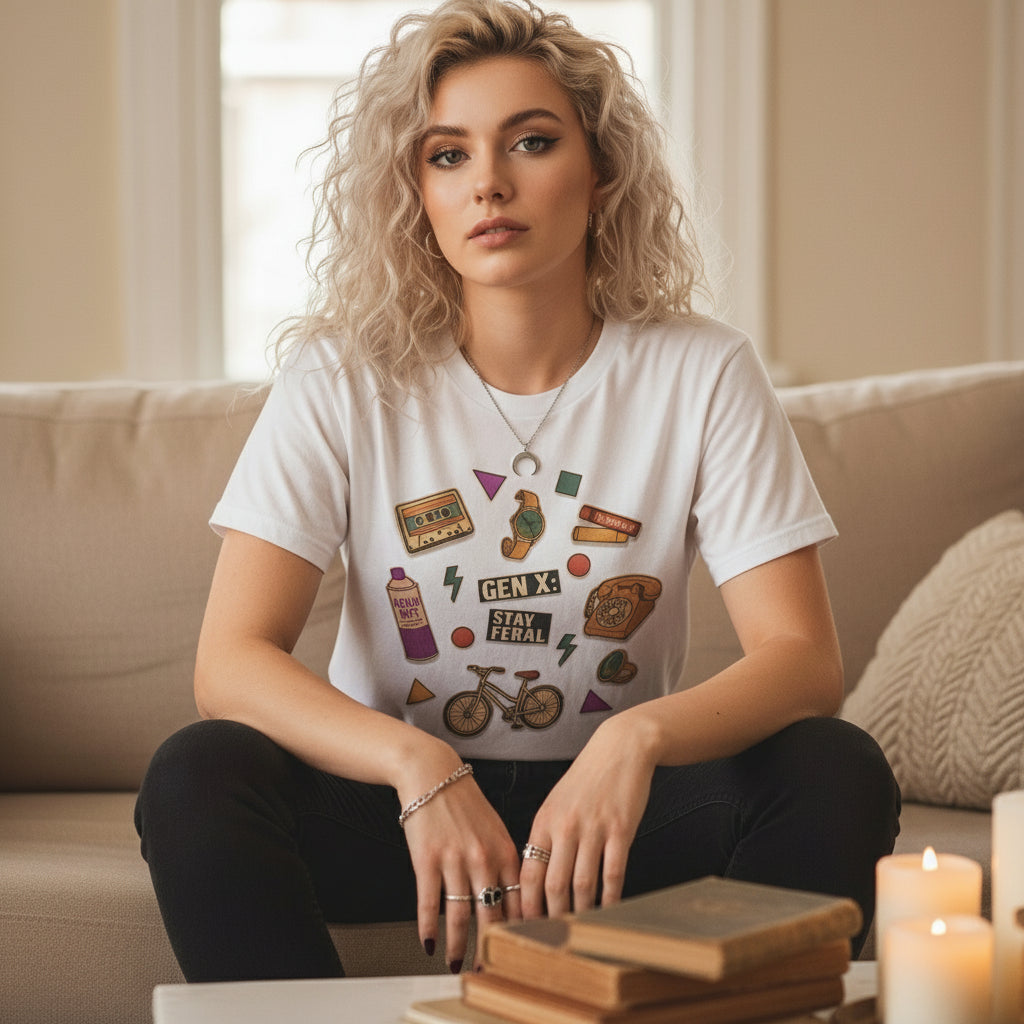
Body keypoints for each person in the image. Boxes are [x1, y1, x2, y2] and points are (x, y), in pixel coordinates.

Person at [135, 0, 899, 983]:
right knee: (195, 774)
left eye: (530, 142)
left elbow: (801, 660)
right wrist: (418, 766)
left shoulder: (699, 372)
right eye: (446, 154)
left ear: (601, 170)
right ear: (413, 190)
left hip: (613, 822)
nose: (488, 182)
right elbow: (230, 664)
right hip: (405, 819)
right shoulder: (342, 377)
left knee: (832, 767)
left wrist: (635, 739)